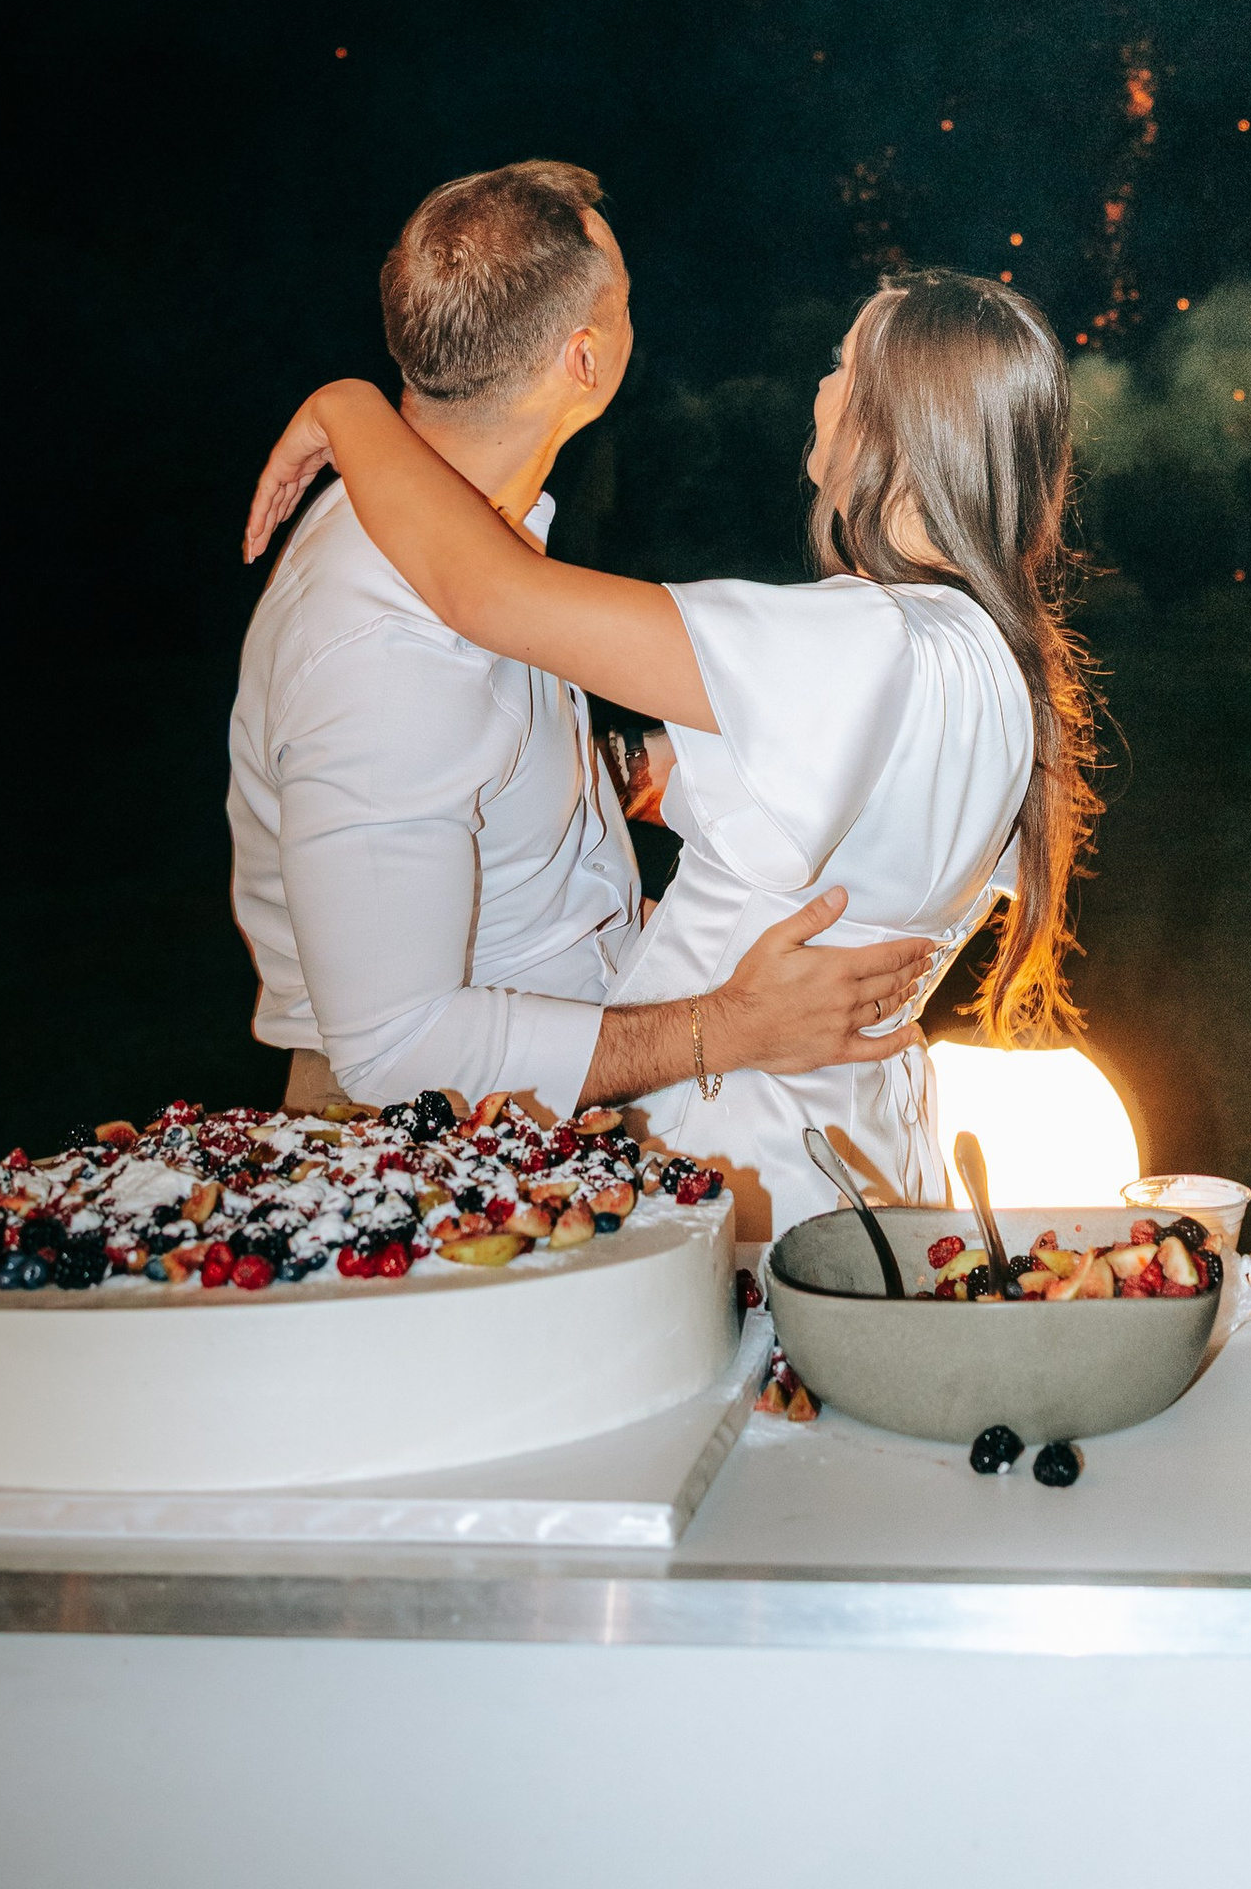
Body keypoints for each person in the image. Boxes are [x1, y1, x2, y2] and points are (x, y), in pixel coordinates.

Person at [246, 262, 1101, 1240]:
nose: (820, 388)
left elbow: (485, 594)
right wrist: (603, 787)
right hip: (860, 1155)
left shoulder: (851, 645)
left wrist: (350, 411)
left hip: (726, 1156)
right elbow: (798, 804)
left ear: (897, 427)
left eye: (843, 363)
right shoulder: (992, 661)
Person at [227, 159, 936, 1125]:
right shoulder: (388, 643)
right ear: (585, 360)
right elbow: (396, 1051)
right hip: (433, 1174)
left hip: (547, 1119)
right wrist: (730, 1025)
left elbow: (502, 771)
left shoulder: (460, 537)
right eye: (628, 300)